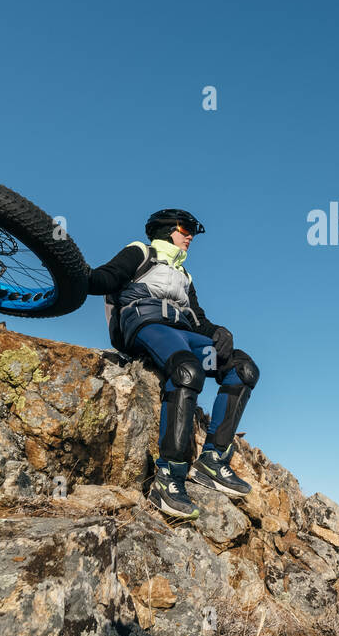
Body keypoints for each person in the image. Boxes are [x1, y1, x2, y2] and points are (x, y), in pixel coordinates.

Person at [86, 208, 258, 520]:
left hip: (183, 333)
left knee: (243, 369)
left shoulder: (185, 276)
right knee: (187, 370)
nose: (190, 235)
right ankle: (169, 478)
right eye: (186, 228)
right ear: (166, 229)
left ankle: (213, 460)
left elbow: (199, 320)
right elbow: (107, 276)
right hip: (145, 325)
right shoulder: (141, 252)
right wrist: (78, 275)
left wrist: (220, 333)